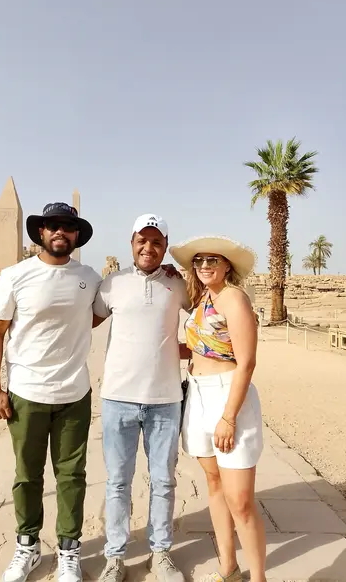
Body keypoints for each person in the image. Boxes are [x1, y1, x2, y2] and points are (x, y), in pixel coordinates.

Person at [0, 202, 101, 582]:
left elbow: (99, 313)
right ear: (40, 232)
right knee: (27, 476)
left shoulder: (89, 278)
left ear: (77, 234)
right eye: (53, 225)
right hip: (26, 393)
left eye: (68, 226)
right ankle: (28, 546)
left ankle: (69, 549)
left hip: (73, 394)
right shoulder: (15, 276)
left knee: (72, 476)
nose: (60, 232)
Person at [93, 214, 190, 582]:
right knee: (118, 482)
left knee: (163, 481)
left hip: (165, 400)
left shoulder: (177, 285)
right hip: (118, 398)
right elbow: (81, 322)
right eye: (142, 241)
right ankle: (115, 556)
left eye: (156, 242)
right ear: (131, 242)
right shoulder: (112, 284)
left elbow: (209, 312)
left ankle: (160, 553)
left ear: (165, 246)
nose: (149, 247)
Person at [170, 237, 266, 582]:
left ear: (227, 265)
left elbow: (247, 362)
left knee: (240, 500)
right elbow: (202, 348)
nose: (205, 266)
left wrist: (229, 417)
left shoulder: (234, 298)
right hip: (197, 394)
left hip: (228, 397)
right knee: (214, 484)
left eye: (213, 260)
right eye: (199, 261)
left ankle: (259, 577)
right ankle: (229, 567)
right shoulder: (202, 299)